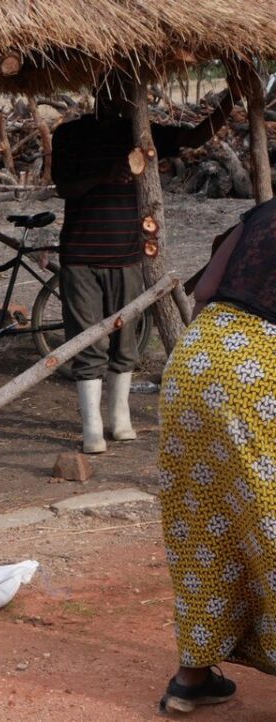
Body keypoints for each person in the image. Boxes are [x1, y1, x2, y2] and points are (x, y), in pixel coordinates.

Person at [52, 75, 238, 453]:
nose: (112, 99)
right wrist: (103, 177)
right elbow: (63, 189)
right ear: (96, 94)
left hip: (128, 255)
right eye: (106, 92)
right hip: (81, 255)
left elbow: (194, 137)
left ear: (127, 99)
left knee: (125, 344)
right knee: (87, 344)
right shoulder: (70, 134)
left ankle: (119, 421)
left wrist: (231, 97)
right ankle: (92, 430)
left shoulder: (139, 131)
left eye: (119, 93)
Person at [155, 200, 276, 713]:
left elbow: (203, 292)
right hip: (258, 374)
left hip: (195, 361)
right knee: (269, 528)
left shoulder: (263, 213)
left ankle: (191, 679)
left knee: (202, 526)